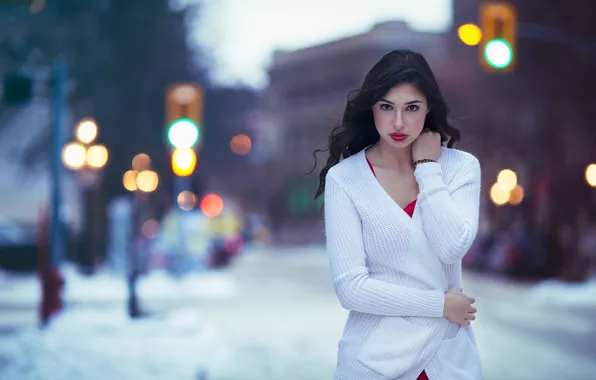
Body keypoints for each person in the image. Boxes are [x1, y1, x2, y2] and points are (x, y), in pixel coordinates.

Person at [313, 50, 483, 379]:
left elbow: (451, 247)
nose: (399, 122)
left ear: (429, 108)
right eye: (387, 107)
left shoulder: (460, 169)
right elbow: (352, 289)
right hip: (373, 364)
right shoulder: (346, 180)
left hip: (447, 362)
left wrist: (428, 169)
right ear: (372, 108)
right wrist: (440, 305)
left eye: (412, 108)